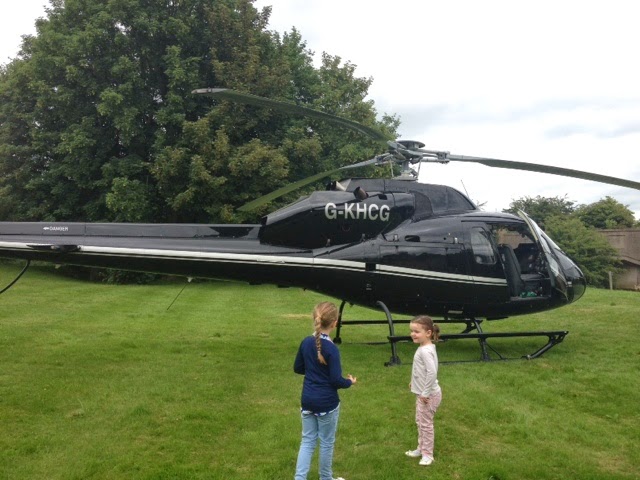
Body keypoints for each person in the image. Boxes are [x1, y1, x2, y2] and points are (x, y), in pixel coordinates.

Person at [294, 301, 357, 480]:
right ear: (335, 323)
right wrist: (349, 382)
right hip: (327, 403)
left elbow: (298, 368)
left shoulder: (306, 342)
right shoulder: (331, 349)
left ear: (315, 318)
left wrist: (313, 371)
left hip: (307, 399)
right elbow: (336, 380)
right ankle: (326, 478)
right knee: (326, 442)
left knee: (307, 441)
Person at [405, 315, 442, 466]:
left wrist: (425, 393)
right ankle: (421, 449)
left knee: (425, 424)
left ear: (428, 333)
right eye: (411, 331)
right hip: (423, 393)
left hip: (428, 395)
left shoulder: (425, 351)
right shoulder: (425, 347)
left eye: (416, 331)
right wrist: (413, 382)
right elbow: (420, 370)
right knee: (420, 421)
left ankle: (427, 455)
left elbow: (432, 372)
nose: (412, 334)